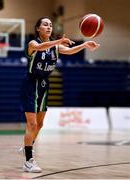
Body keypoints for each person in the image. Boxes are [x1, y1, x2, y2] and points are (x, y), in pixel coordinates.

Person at [20, 16, 100, 173]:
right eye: (45, 24)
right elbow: (42, 47)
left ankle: (27, 147)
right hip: (30, 85)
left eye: (50, 25)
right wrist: (57, 41)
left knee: (40, 124)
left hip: (44, 84)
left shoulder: (55, 47)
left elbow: (69, 51)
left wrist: (84, 44)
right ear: (38, 28)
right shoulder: (33, 44)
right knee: (32, 124)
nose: (49, 27)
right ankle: (28, 161)